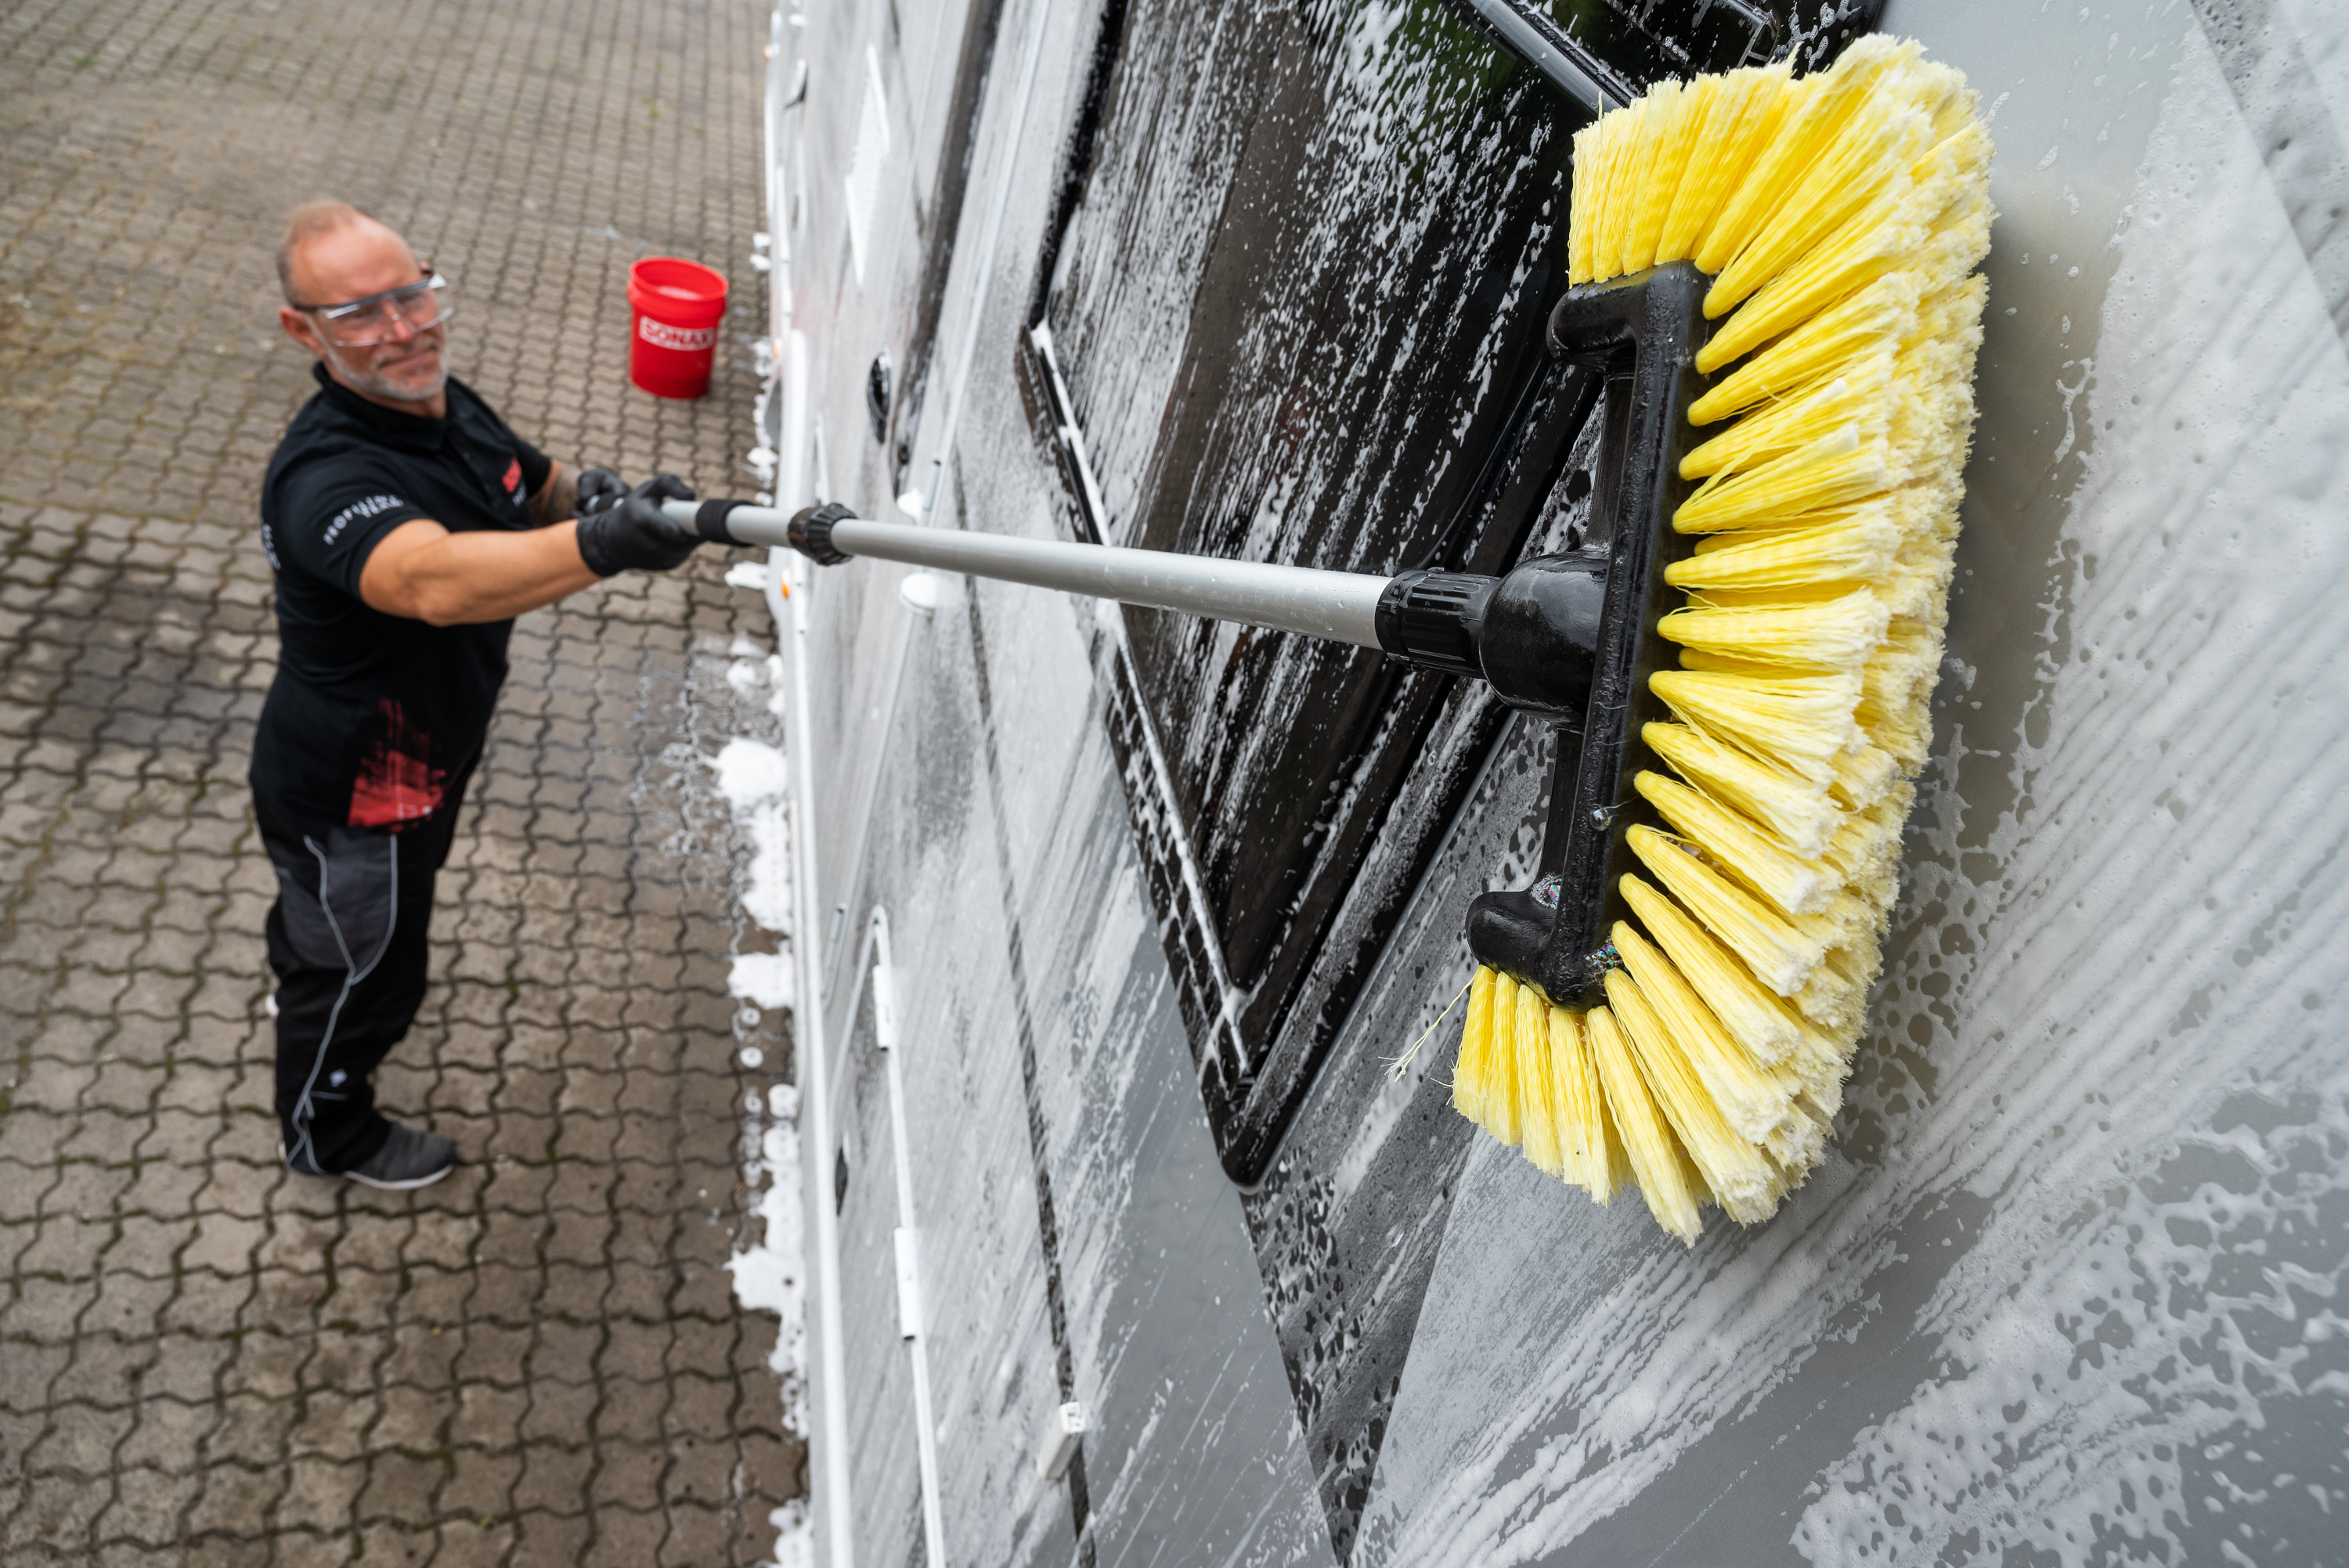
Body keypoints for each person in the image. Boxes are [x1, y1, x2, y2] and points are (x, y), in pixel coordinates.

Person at [254, 200, 713, 1188]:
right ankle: (322, 1130)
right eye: (361, 316)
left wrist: (589, 499)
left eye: (413, 294)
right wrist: (602, 550)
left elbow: (525, 481)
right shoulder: (326, 477)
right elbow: (434, 580)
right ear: (304, 331)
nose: (406, 330)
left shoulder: (439, 400)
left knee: (351, 935)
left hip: (423, 762)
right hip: (353, 792)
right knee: (371, 972)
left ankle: (312, 954)